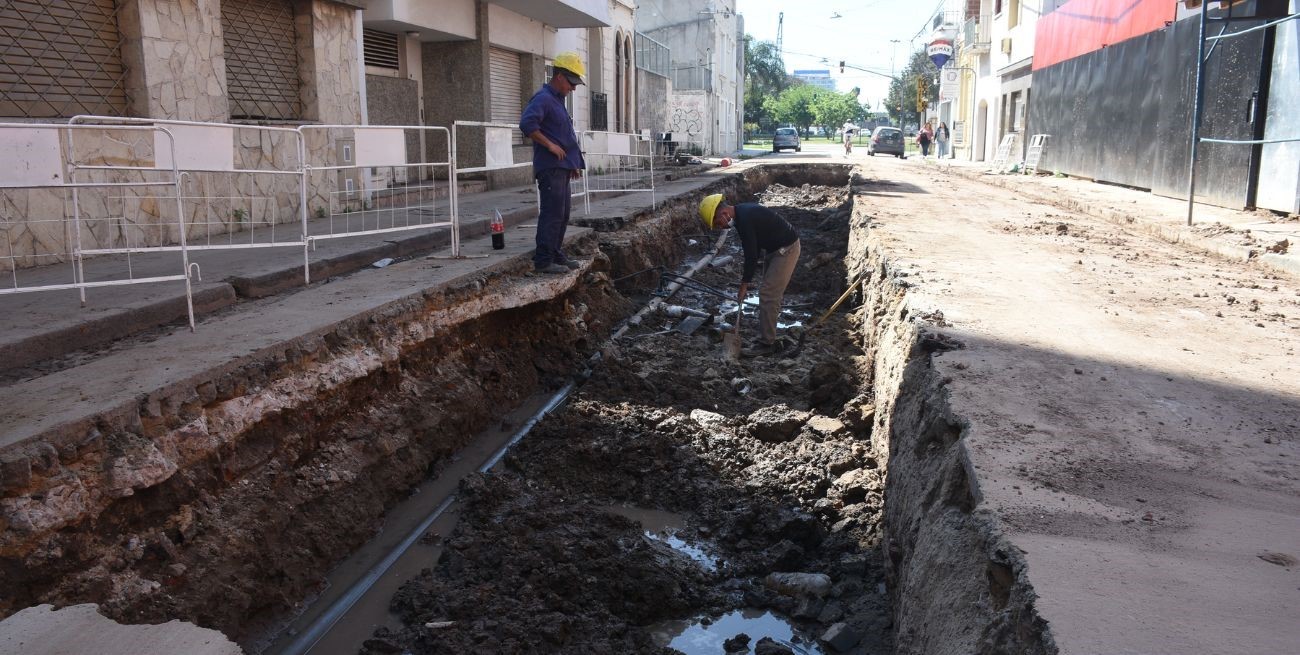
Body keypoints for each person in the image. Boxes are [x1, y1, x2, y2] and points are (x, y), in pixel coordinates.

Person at [698, 193, 801, 356]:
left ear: (724, 214)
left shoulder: (744, 219)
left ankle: (767, 344)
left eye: (718, 223)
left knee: (768, 294)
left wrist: (744, 285)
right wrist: (745, 282)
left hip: (786, 250)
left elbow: (751, 255)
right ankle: (767, 336)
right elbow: (753, 248)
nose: (720, 228)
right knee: (769, 294)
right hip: (775, 250)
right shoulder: (742, 214)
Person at [519, 52, 587, 274]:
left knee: (563, 212)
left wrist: (572, 162)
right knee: (552, 213)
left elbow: (563, 135)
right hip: (550, 168)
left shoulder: (557, 101)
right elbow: (527, 124)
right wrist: (549, 145)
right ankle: (543, 260)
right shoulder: (543, 98)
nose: (573, 88)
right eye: (571, 83)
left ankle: (555, 252)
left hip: (562, 167)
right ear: (559, 76)